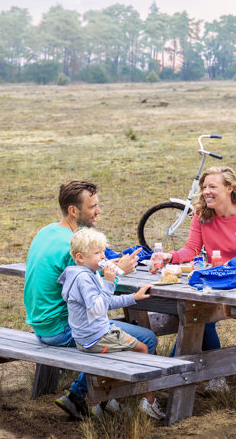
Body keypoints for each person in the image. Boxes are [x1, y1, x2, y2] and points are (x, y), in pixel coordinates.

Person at [23, 180, 156, 420]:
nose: (98, 211)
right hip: (61, 327)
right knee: (146, 338)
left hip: (40, 323)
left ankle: (105, 398)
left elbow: (85, 275)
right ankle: (93, 399)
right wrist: (119, 273)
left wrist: (110, 264)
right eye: (92, 206)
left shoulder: (49, 232)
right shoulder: (68, 246)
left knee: (113, 330)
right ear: (73, 210)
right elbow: (95, 295)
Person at [163, 166, 236, 392]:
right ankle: (203, 376)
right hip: (215, 285)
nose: (206, 192)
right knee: (196, 313)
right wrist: (170, 256)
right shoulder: (202, 215)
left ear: (229, 188)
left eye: (212, 187)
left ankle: (168, 372)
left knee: (198, 315)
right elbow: (192, 250)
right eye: (204, 187)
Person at [59, 227, 164, 419]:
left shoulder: (86, 274)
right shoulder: (84, 279)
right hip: (95, 338)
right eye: (97, 253)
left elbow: (105, 302)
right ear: (80, 257)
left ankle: (114, 403)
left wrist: (134, 297)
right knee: (141, 350)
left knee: (133, 352)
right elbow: (98, 308)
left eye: (103, 251)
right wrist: (109, 281)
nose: (103, 257)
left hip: (92, 335)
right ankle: (146, 403)